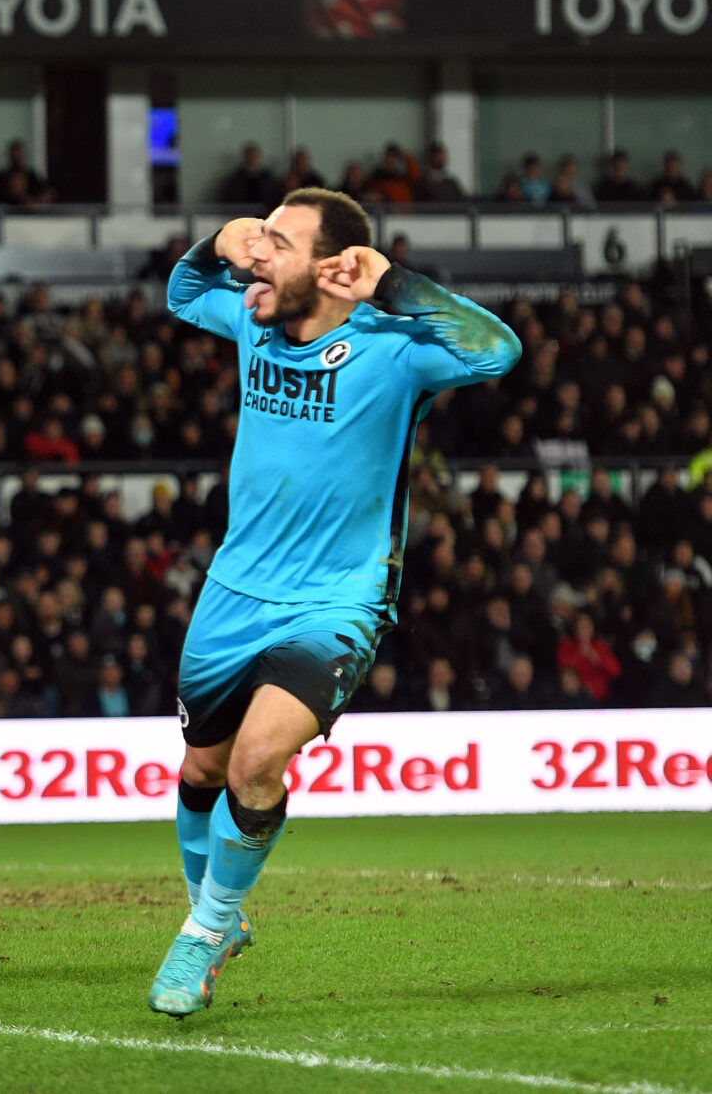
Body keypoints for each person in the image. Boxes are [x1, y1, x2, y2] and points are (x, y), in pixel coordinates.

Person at [151, 187, 519, 1017]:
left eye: (277, 242)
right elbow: (181, 292)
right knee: (202, 769)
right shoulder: (253, 318)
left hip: (335, 600)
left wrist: (392, 284)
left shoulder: (394, 349)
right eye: (262, 236)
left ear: (332, 267)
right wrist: (220, 240)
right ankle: (217, 909)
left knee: (254, 762)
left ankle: (206, 929)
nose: (259, 253)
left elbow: (498, 351)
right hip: (233, 593)